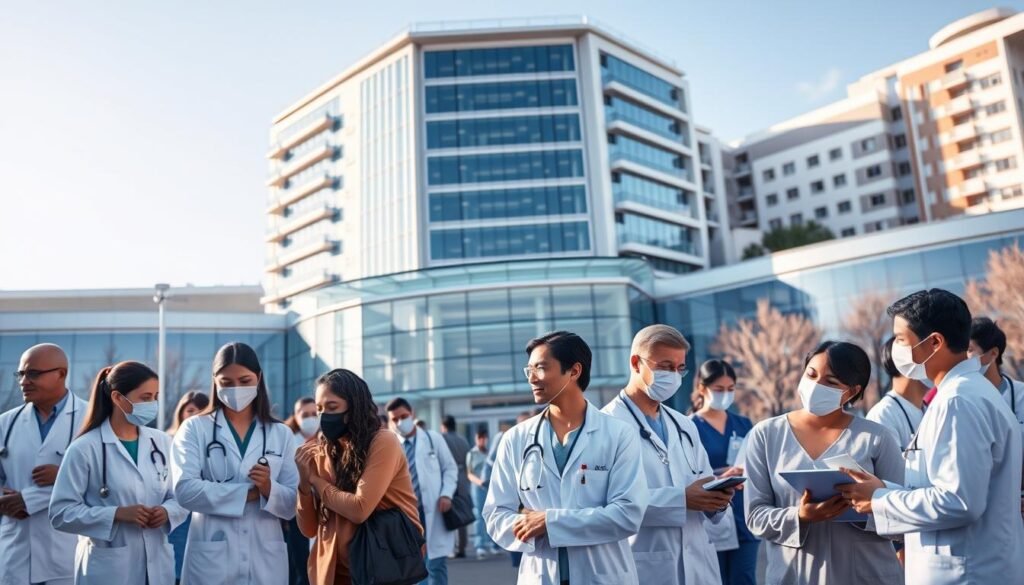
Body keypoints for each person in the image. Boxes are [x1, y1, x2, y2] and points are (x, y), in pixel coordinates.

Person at [838, 289, 1024, 583]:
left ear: (935, 342)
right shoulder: (964, 393)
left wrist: (881, 498)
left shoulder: (958, 401)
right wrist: (883, 488)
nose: (896, 348)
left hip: (967, 572)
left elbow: (959, 501)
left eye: (901, 339)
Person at [484, 331, 649, 585]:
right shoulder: (516, 439)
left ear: (574, 371)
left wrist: (549, 521)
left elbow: (627, 514)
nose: (532, 378)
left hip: (601, 574)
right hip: (540, 575)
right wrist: (527, 524)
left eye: (540, 368)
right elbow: (496, 515)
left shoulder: (618, 435)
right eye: (528, 370)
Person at [744, 340, 904, 584]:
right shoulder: (766, 435)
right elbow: (755, 515)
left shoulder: (877, 438)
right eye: (811, 374)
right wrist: (800, 516)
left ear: (851, 392)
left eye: (830, 382)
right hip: (795, 575)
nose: (816, 385)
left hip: (866, 573)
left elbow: (904, 514)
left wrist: (867, 505)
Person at [602, 325, 732, 585]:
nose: (673, 375)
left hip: (699, 564)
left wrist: (717, 498)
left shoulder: (684, 425)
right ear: (636, 363)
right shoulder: (604, 426)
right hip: (644, 566)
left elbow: (704, 481)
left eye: (679, 368)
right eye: (664, 366)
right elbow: (606, 503)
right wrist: (681, 498)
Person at [171, 342, 299, 585]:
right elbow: (185, 491)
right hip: (212, 558)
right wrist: (249, 494)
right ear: (214, 382)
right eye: (226, 382)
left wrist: (269, 489)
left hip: (265, 556)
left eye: (244, 380)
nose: (236, 388)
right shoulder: (195, 428)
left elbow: (294, 503)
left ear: (259, 378)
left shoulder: (280, 433)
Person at [49, 361, 187, 584]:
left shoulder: (161, 442)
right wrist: (116, 514)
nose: (153, 403)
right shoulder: (84, 448)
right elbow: (60, 513)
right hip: (108, 569)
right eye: (145, 397)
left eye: (156, 396)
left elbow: (180, 496)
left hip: (157, 564)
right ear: (117, 398)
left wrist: (167, 511)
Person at [294, 369, 422, 585]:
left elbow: (359, 509)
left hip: (380, 568)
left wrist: (316, 481)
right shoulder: (323, 450)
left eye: (332, 407)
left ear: (354, 406)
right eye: (319, 409)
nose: (324, 416)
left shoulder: (383, 442)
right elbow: (308, 529)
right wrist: (304, 485)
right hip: (332, 573)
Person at [0, 343, 85, 585]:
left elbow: (103, 482)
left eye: (33, 373)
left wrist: (62, 476)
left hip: (65, 550)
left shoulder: (90, 420)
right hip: (15, 549)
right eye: (21, 374)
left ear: (61, 374)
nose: (24, 381)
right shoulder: (5, 423)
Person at [690, 358, 759, 585]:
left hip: (743, 514)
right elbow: (686, 474)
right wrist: (720, 477)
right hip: (709, 516)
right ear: (702, 388)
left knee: (745, 579)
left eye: (730, 389)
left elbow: (756, 463)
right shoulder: (688, 427)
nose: (725, 395)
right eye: (719, 389)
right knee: (713, 579)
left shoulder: (743, 424)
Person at [387, 398, 457, 585]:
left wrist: (446, 494)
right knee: (415, 567)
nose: (400, 422)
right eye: (395, 419)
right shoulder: (390, 445)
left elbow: (450, 468)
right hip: (406, 514)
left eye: (404, 416)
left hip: (434, 508)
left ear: (413, 414)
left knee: (436, 564)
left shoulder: (433, 439)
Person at [165, 390, 209, 584]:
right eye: (190, 410)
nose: (194, 416)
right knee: (175, 566)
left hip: (202, 511)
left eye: (201, 410)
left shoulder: (214, 443)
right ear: (181, 412)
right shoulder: (166, 440)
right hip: (175, 511)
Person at [866, 337, 927, 449]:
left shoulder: (929, 410)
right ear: (907, 364)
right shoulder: (883, 415)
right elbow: (891, 466)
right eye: (927, 358)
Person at [283, 397, 317, 585]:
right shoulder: (288, 442)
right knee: (301, 568)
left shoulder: (329, 440)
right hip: (297, 514)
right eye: (305, 415)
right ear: (295, 417)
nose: (311, 419)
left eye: (314, 414)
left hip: (327, 513)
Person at [969, 316, 1024, 426]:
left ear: (993, 353)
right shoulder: (960, 398)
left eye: (969, 350)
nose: (962, 357)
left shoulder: (1020, 395)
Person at [440, 415, 471, 559]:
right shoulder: (463, 439)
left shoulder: (442, 439)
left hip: (448, 478)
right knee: (462, 512)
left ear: (443, 425)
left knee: (448, 512)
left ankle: (450, 547)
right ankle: (462, 547)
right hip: (463, 477)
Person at [466, 427, 495, 559]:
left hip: (490, 488)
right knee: (479, 516)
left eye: (484, 438)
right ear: (476, 439)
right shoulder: (472, 454)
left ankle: (492, 544)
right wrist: (480, 482)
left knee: (492, 515)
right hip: (478, 488)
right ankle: (480, 546)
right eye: (479, 438)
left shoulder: (489, 453)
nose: (482, 441)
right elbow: (469, 474)